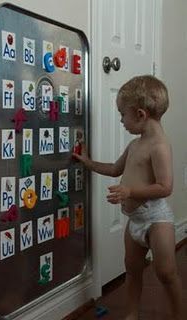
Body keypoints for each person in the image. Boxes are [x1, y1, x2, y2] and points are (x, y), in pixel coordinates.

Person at [73, 75, 183, 320]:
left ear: (141, 114)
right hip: (134, 219)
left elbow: (165, 187)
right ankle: (131, 313)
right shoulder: (135, 145)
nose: (121, 120)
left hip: (156, 219)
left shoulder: (159, 146)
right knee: (132, 271)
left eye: (123, 114)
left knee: (166, 272)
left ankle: (179, 314)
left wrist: (130, 192)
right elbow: (115, 169)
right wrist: (88, 163)